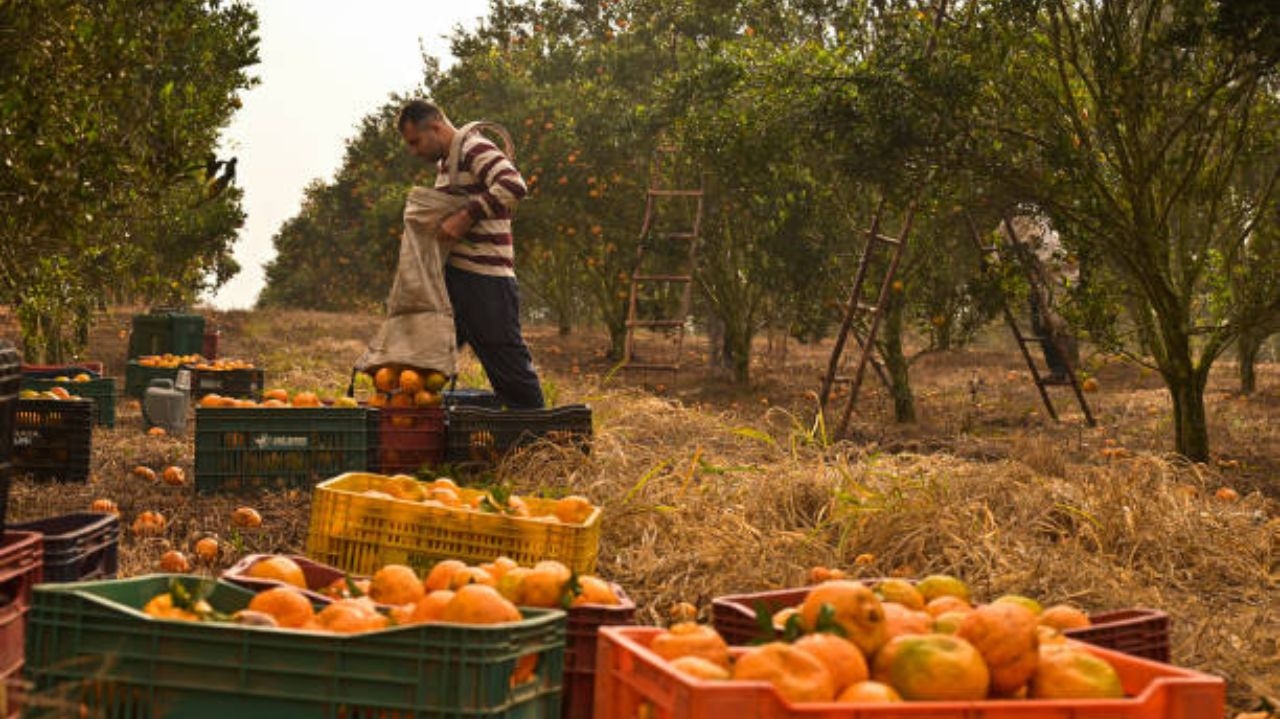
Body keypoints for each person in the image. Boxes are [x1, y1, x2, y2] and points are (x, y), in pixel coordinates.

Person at [397, 100, 545, 409]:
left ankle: (543, 442)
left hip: (486, 282)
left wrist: (465, 217)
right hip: (458, 281)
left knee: (508, 366)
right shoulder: (447, 165)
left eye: (415, 141)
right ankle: (418, 430)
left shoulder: (473, 148)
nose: (413, 151)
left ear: (435, 127)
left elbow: (513, 183)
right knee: (427, 365)